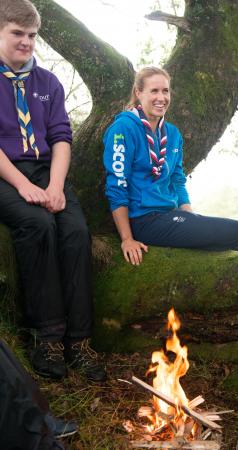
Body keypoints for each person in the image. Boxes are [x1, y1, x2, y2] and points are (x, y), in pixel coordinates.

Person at [0, 0, 105, 381]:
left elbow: (61, 137)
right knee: (37, 224)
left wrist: (56, 185)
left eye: (31, 35)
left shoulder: (48, 83)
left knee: (75, 230)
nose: (26, 42)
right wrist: (24, 185)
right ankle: (46, 337)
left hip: (48, 169)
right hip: (5, 174)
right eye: (17, 34)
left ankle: (80, 341)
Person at [103, 67, 238, 264]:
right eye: (154, 91)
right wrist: (127, 240)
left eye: (165, 91)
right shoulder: (123, 129)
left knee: (234, 243)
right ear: (138, 93)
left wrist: (190, 216)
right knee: (237, 230)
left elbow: (177, 180)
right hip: (144, 220)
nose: (161, 97)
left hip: (171, 215)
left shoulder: (172, 133)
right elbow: (117, 185)